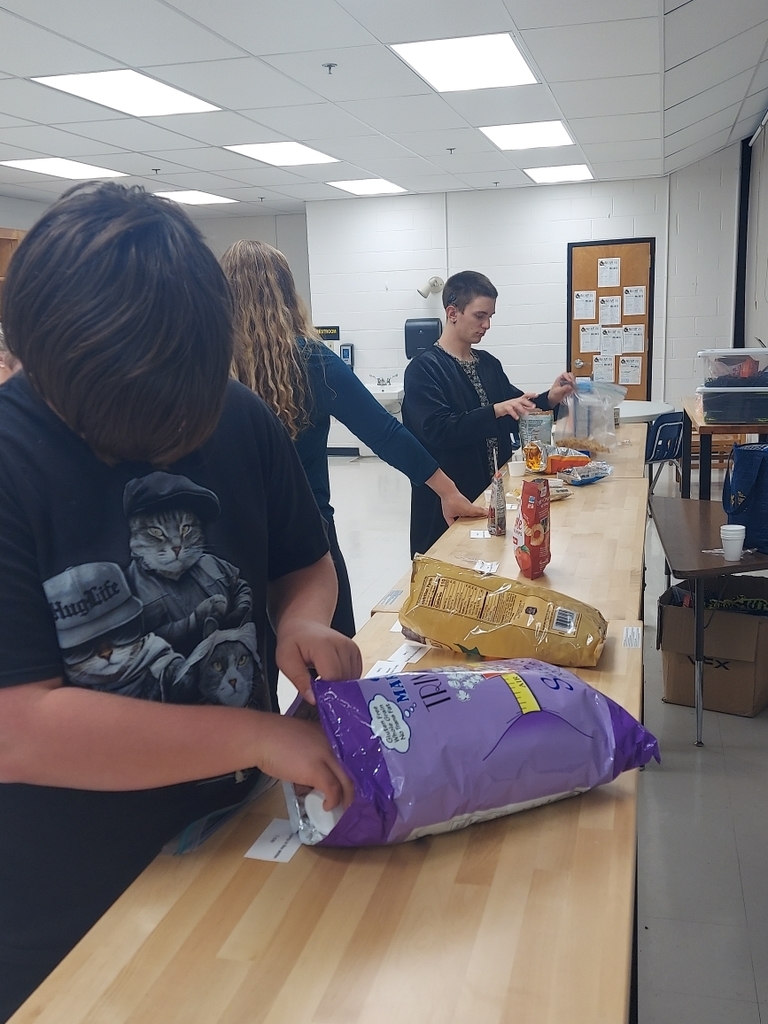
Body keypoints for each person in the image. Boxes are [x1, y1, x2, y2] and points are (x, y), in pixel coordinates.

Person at [0, 183, 361, 1022]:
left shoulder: (237, 416)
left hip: (240, 832)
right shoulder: (11, 465)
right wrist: (255, 734)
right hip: (65, 902)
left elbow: (303, 562)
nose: (166, 445)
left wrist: (304, 617)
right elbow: (18, 729)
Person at [220, 240, 485, 637]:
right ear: (288, 293)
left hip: (232, 538)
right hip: (305, 539)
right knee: (330, 659)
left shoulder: (205, 366)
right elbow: (385, 432)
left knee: (251, 664)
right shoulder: (311, 359)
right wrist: (447, 490)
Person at [402, 270, 576, 556]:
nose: (487, 325)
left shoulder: (488, 364)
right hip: (448, 497)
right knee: (449, 575)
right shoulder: (424, 369)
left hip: (494, 489)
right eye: (480, 316)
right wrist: (493, 411)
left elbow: (515, 407)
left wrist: (551, 397)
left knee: (492, 566)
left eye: (491, 317)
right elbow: (437, 430)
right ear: (452, 312)